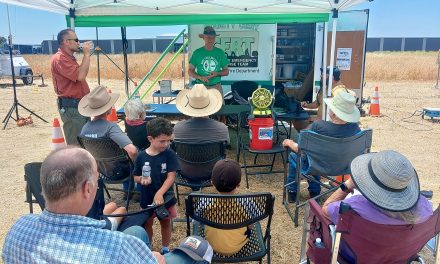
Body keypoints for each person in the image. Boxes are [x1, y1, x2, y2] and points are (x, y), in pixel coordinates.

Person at [2, 147, 163, 264]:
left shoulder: (18, 228)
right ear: (87, 189)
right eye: (97, 180)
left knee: (137, 232)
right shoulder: (117, 247)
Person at [322, 150, 433, 263]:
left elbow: (326, 208)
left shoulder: (354, 207)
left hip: (356, 256)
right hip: (401, 255)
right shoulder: (425, 207)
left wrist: (347, 185)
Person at [282, 91, 361, 202]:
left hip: (318, 165)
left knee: (296, 156)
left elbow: (301, 149)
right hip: (344, 167)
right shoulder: (355, 128)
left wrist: (289, 143)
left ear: (333, 113)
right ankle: (314, 192)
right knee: (314, 158)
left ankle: (292, 191)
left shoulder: (318, 126)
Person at [133, 117, 179, 255]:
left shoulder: (169, 154)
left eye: (168, 140)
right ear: (150, 139)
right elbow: (135, 176)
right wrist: (141, 180)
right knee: (147, 223)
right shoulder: (141, 156)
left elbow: (171, 176)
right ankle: (149, 247)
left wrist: (159, 193)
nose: (166, 144)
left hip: (165, 198)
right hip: (146, 197)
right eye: (162, 141)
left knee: (165, 223)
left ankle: (165, 249)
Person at [79, 85, 138, 193]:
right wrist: (137, 164)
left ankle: (128, 191)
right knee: (140, 155)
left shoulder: (84, 128)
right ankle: (136, 191)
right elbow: (132, 151)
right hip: (120, 171)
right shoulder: (110, 127)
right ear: (109, 108)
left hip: (100, 171)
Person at [174, 84, 229, 180]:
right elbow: (227, 144)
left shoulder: (178, 128)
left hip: (184, 170)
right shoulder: (222, 128)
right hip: (213, 171)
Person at [51, 29, 93, 145]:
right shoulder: (60, 59)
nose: (78, 42)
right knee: (76, 146)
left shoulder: (69, 58)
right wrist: (86, 54)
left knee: (84, 143)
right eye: (76, 40)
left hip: (78, 107)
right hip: (72, 109)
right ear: (66, 42)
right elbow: (80, 76)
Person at [204, 159, 250, 256]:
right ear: (238, 184)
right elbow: (250, 224)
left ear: (212, 182)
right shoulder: (247, 203)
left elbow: (197, 222)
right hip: (238, 244)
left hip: (212, 244)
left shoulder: (204, 203)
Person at [188, 26, 229, 97]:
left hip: (216, 87)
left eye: (212, 37)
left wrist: (217, 73)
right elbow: (190, 71)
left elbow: (226, 71)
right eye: (208, 37)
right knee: (200, 107)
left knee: (219, 107)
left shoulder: (220, 53)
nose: (210, 39)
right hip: (200, 87)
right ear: (203, 38)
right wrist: (200, 77)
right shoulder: (197, 53)